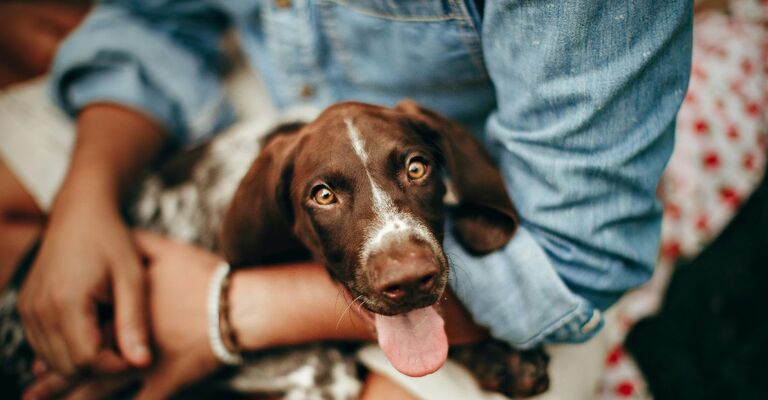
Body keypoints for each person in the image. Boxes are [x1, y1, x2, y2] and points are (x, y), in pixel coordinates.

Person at [1, 0, 693, 398]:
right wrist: (81, 208)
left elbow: (578, 256)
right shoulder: (263, 184)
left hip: (506, 177)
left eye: (416, 169)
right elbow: (152, 23)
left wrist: (221, 313)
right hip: (253, 119)